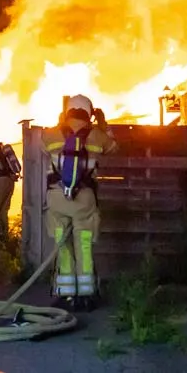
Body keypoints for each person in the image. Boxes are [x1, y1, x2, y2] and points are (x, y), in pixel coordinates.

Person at [41, 94, 117, 312]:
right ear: (89, 112)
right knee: (83, 245)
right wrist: (104, 125)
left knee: (62, 245)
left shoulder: (51, 134)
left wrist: (60, 123)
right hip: (84, 198)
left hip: (57, 197)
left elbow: (43, 147)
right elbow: (113, 148)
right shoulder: (98, 136)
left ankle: (66, 295)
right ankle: (86, 295)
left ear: (67, 111)